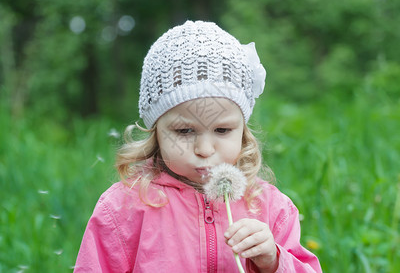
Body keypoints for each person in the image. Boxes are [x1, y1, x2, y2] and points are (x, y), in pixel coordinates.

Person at [74, 20, 322, 272]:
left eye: (222, 130)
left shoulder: (268, 206)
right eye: (184, 131)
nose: (204, 149)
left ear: (243, 130)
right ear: (155, 131)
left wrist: (273, 261)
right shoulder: (123, 208)